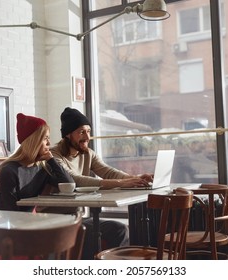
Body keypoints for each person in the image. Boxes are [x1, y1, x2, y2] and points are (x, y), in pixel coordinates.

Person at [51, 107, 154, 259]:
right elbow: (75, 179)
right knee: (92, 235)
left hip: (78, 217)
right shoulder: (54, 155)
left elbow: (108, 171)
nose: (87, 137)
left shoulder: (87, 153)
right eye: (81, 132)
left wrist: (134, 178)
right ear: (68, 134)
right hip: (56, 219)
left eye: (88, 131)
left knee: (120, 229)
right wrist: (120, 183)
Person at [0, 113, 74, 212]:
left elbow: (69, 185)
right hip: (4, 222)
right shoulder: (9, 171)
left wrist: (52, 161)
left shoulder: (43, 168)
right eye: (45, 139)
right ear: (33, 142)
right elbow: (11, 211)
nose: (49, 143)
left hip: (26, 221)